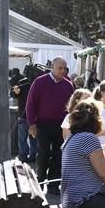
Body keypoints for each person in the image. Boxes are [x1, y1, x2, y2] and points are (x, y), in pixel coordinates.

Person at [26, 56, 75, 193]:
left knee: (59, 154)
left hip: (61, 125)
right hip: (43, 124)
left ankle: (53, 184)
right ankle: (40, 182)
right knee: (43, 154)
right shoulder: (40, 82)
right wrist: (32, 124)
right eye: (60, 68)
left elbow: (72, 106)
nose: (62, 71)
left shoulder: (68, 84)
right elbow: (30, 105)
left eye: (64, 68)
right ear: (52, 67)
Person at [11, 72, 36, 163]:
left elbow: (14, 94)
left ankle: (24, 155)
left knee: (24, 137)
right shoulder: (25, 83)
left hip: (25, 114)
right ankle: (31, 155)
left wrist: (15, 92)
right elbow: (14, 93)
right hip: (29, 115)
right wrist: (15, 91)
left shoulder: (23, 83)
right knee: (32, 137)